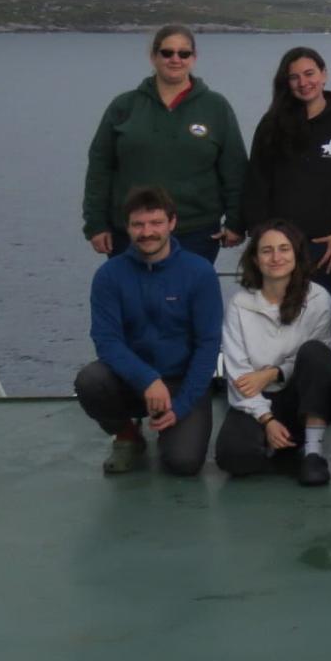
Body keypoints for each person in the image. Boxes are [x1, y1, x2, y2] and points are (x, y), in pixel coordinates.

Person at [73, 186, 222, 476]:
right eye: (138, 224)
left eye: (155, 223)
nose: (147, 232)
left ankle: (171, 426)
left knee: (183, 463)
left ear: (172, 223)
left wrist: (181, 406)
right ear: (127, 227)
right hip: (131, 380)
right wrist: (147, 379)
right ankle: (128, 435)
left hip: (182, 381)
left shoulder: (200, 272)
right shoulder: (109, 276)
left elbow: (208, 344)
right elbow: (107, 341)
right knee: (90, 381)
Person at [82, 25, 245, 263]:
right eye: (167, 53)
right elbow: (100, 167)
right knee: (132, 300)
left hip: (196, 233)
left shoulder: (216, 107)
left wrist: (236, 222)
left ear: (194, 58)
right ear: (153, 56)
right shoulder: (124, 106)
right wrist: (96, 224)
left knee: (186, 300)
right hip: (131, 232)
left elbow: (235, 168)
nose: (175, 59)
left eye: (184, 53)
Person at [214, 220, 331, 486]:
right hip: (257, 401)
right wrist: (267, 419)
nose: (276, 257)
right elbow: (238, 372)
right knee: (233, 458)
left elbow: (322, 356)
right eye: (267, 250)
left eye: (284, 249)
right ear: (256, 259)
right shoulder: (240, 304)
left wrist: (273, 372)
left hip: (300, 397)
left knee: (315, 353)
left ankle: (313, 450)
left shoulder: (318, 299)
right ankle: (281, 444)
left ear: (296, 255)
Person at [242, 46, 331, 293]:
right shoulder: (271, 124)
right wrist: (260, 237)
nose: (303, 82)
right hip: (279, 246)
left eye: (309, 74)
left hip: (327, 245)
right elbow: (256, 182)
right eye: (294, 77)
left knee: (316, 316)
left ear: (324, 74)